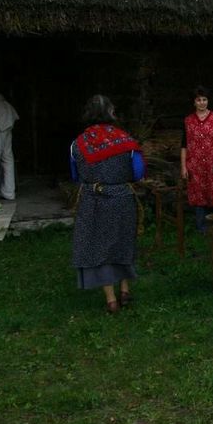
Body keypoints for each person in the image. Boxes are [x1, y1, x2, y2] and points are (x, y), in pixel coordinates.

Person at [70, 95, 145, 313]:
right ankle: (125, 290)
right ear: (111, 112)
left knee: (99, 246)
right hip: (122, 197)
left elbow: (75, 175)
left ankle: (111, 300)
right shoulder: (126, 140)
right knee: (123, 241)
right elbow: (138, 172)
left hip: (92, 199)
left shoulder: (77, 144)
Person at [180, 86, 213, 233]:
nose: (202, 102)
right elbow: (184, 145)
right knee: (198, 196)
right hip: (195, 166)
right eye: (199, 100)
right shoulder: (188, 121)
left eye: (204, 99)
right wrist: (183, 167)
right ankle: (202, 230)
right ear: (194, 102)